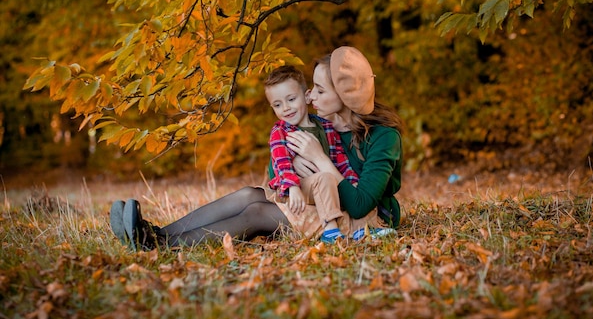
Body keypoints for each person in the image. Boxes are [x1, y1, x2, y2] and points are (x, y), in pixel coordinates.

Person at [109, 46, 403, 251]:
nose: (310, 96)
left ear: (344, 96)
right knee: (252, 193)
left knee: (258, 213)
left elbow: (362, 203)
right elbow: (274, 168)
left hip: (360, 217)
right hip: (321, 201)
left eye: (320, 90)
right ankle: (155, 233)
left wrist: (320, 160)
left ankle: (160, 246)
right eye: (311, 87)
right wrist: (294, 171)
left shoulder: (383, 137)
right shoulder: (320, 124)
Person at [264, 65, 364, 243]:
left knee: (349, 188)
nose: (286, 108)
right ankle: (331, 231)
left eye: (291, 99)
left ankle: (361, 230)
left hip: (326, 186)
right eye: (277, 105)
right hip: (299, 188)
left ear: (307, 96)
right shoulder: (280, 131)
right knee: (324, 178)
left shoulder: (326, 127)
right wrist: (292, 187)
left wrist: (352, 181)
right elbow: (281, 162)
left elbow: (340, 160)